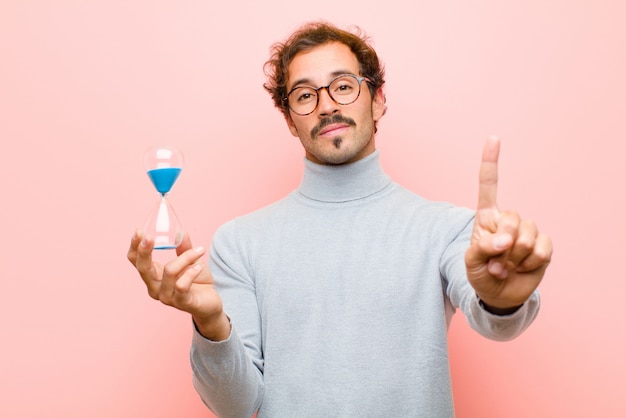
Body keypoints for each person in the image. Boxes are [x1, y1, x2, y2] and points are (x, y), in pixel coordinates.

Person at [127, 21, 552, 417]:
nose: (327, 105)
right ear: (291, 120)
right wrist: (212, 325)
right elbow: (236, 406)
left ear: (378, 99)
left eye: (343, 86)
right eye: (305, 95)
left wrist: (504, 300)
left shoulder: (447, 229)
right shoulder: (240, 242)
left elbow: (496, 323)